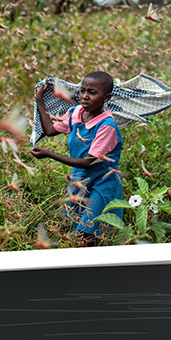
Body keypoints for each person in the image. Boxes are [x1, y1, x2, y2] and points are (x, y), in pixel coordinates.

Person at [31, 71, 125, 245]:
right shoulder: (75, 113)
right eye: (82, 91)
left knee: (89, 235)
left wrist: (50, 154)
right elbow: (50, 130)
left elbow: (89, 162)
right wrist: (39, 100)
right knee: (73, 228)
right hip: (79, 181)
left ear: (106, 97)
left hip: (101, 183)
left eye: (92, 92)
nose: (85, 96)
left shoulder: (107, 126)